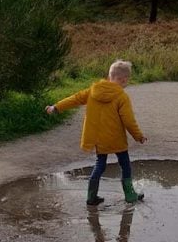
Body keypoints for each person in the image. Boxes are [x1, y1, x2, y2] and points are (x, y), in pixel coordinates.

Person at [46, 60, 147, 206]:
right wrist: (138, 136)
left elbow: (75, 99)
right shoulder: (122, 96)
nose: (127, 83)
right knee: (125, 165)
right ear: (123, 79)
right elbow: (129, 121)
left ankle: (91, 197)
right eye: (127, 80)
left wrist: (56, 107)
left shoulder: (93, 91)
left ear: (109, 75)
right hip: (116, 139)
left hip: (99, 138)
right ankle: (130, 195)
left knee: (100, 164)